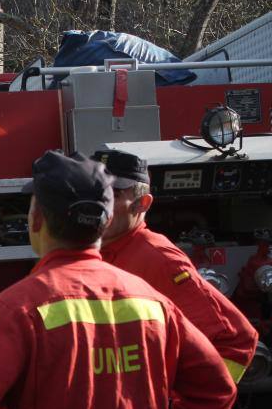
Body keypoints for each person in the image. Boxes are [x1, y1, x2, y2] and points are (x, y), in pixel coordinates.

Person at [0, 150, 236, 409]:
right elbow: (215, 388)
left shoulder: (17, 309)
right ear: (105, 221)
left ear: (35, 220)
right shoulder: (153, 302)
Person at [94, 148, 257, 384]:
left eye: (114, 194)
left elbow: (235, 341)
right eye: (95, 190)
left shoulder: (157, 259)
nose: (101, 203)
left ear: (143, 203)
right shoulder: (88, 251)